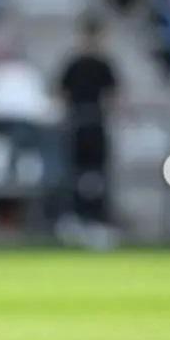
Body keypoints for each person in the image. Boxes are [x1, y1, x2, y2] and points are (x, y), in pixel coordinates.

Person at [56, 17, 120, 249]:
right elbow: (60, 93)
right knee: (75, 174)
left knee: (98, 175)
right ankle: (74, 220)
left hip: (96, 125)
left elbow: (114, 96)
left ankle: (97, 221)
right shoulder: (74, 64)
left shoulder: (104, 65)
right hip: (77, 126)